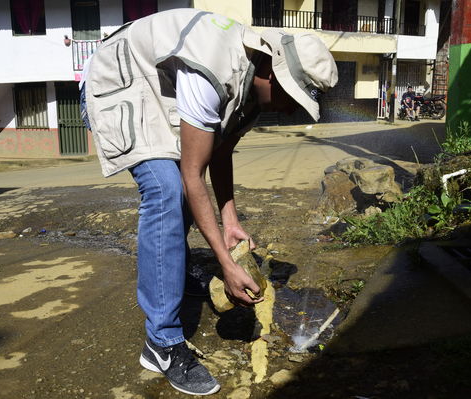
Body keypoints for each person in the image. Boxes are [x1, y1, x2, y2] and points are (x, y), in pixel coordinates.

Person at [85, 8, 337, 396]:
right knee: (167, 192)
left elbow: (218, 152)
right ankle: (162, 344)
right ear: (271, 71)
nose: (290, 109)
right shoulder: (212, 70)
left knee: (183, 192)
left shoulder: (252, 85)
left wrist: (230, 219)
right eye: (291, 95)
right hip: (121, 77)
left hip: (159, 82)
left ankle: (173, 273)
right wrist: (223, 260)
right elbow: (193, 175)